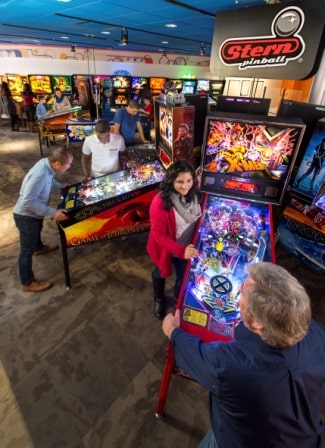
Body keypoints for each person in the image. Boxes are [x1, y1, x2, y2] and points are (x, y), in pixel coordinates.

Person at [162, 261, 325, 448]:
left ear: (257, 323)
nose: (238, 292)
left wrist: (172, 331)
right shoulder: (319, 335)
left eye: (242, 291)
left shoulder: (228, 365)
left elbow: (193, 354)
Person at [146, 160, 202, 319]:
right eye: (180, 181)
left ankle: (178, 302)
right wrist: (181, 250)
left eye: (189, 180)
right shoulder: (160, 202)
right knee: (159, 271)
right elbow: (159, 235)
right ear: (171, 181)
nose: (185, 186)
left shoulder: (194, 193)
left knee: (183, 276)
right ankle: (158, 299)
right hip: (165, 247)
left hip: (186, 247)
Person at [13, 147, 73, 293]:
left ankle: (39, 247)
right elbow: (28, 201)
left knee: (37, 230)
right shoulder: (40, 174)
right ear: (58, 164)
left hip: (35, 213)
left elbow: (50, 179)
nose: (70, 167)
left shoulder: (46, 164)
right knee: (26, 251)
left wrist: (60, 186)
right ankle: (27, 282)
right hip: (26, 216)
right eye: (68, 164)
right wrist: (53, 212)